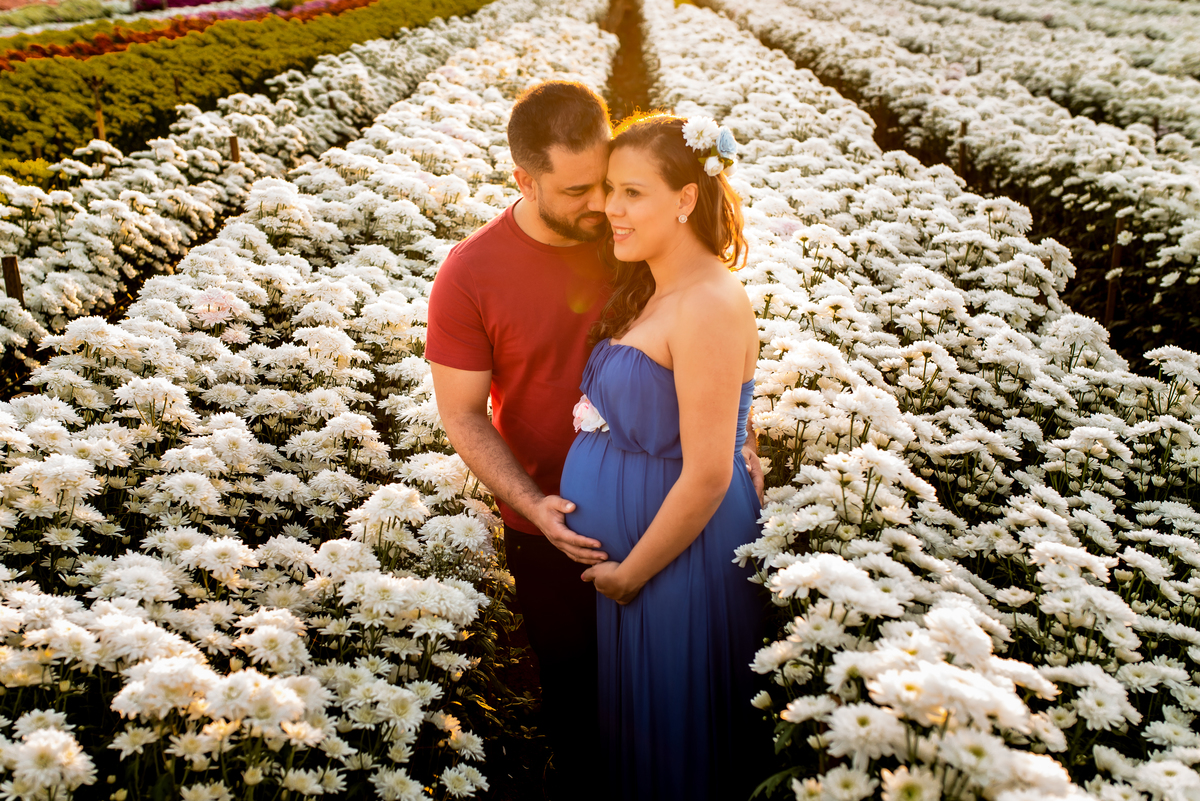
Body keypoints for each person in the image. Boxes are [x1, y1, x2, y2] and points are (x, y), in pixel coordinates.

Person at [559, 112, 768, 801]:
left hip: (676, 559)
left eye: (632, 193)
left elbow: (707, 472)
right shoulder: (661, 285)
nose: (610, 209)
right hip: (650, 553)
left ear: (685, 198)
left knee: (681, 743)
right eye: (609, 190)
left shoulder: (707, 301)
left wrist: (630, 574)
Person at [425, 80, 613, 799]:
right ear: (523, 180)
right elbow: (464, 413)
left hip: (662, 503)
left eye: (605, 181)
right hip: (551, 523)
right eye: (576, 191)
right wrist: (532, 504)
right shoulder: (470, 273)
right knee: (577, 694)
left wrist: (738, 436)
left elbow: (710, 325)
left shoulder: (629, 233)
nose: (599, 204)